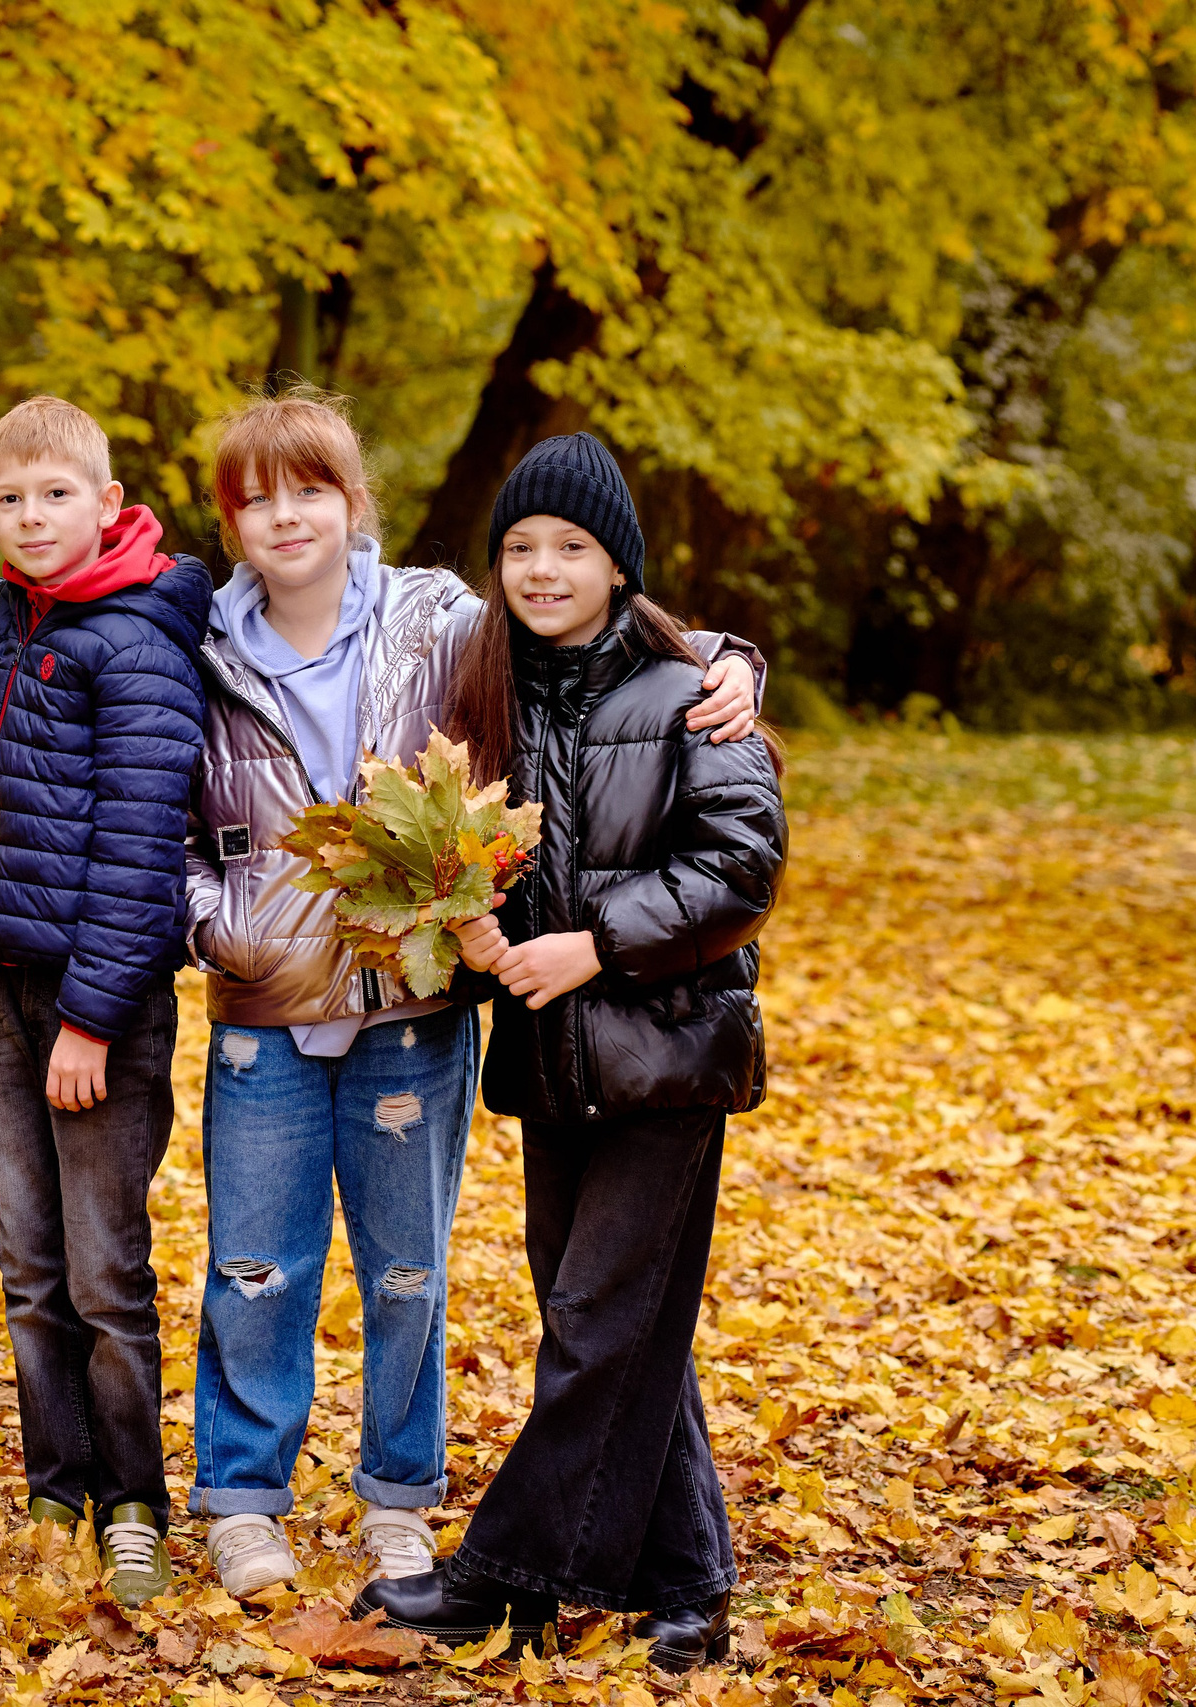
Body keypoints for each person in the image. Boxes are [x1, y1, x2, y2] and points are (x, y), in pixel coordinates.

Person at [182, 394, 766, 1597]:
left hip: (482, 1021)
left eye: (312, 490)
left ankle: (472, 1542)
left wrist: (729, 661)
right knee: (277, 1271)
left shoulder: (440, 624)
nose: (285, 516)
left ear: (358, 506)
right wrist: (216, 926)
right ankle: (682, 1578)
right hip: (331, 1018)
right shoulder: (200, 638)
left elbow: (674, 726)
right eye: (256, 496)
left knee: (488, 1293)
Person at [352, 431, 786, 1671]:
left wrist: (594, 945)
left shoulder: (691, 689)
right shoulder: (491, 691)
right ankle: (689, 1585)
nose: (542, 570)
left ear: (618, 564)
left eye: (571, 548)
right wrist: (478, 930)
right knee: (618, 1323)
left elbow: (742, 868)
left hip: (665, 1056)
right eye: (521, 548)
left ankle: (512, 1576)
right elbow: (479, 857)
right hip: (552, 1063)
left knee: (599, 1321)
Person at [0, 395, 210, 1607]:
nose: (31, 516)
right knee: (26, 1259)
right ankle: (55, 1482)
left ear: (109, 504)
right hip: (6, 984)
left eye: (56, 494)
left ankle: (133, 1498)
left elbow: (142, 845)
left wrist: (93, 1021)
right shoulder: (13, 612)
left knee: (106, 1270)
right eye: (8, 498)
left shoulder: (135, 638)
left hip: (92, 1002)